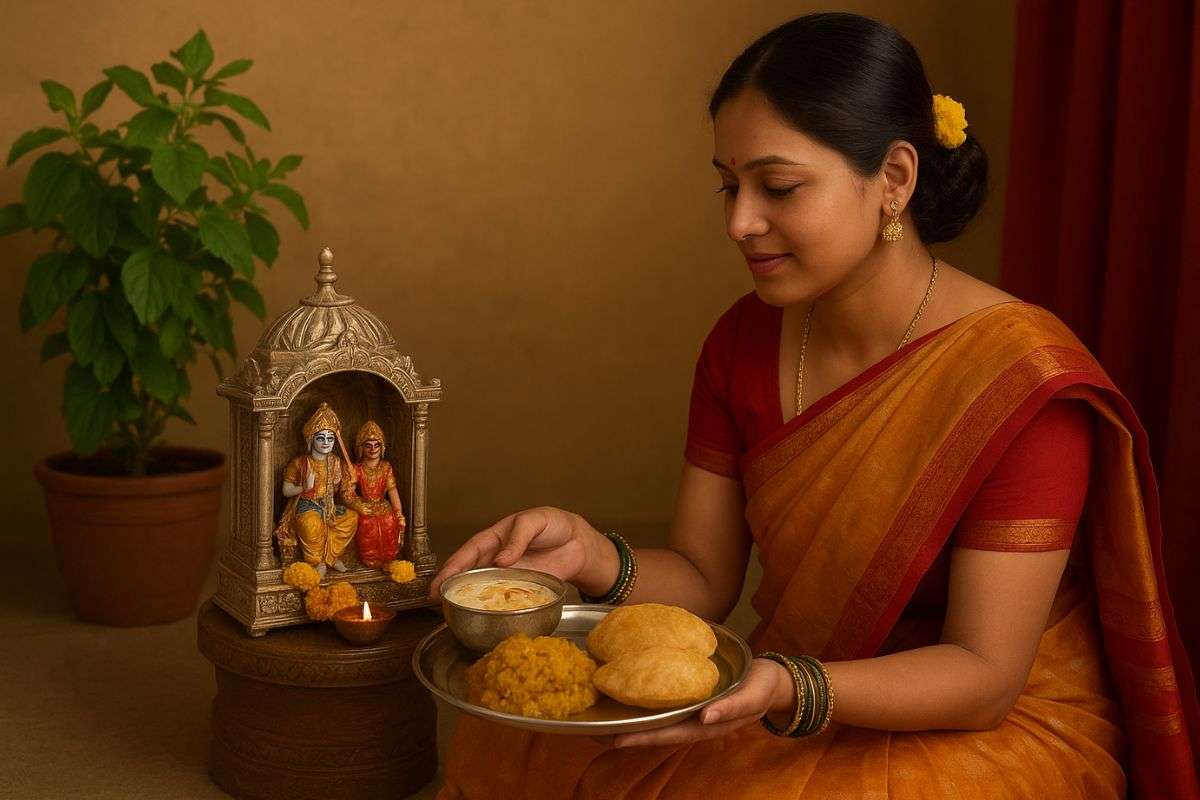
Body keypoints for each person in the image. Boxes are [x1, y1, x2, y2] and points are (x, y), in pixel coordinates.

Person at [429, 12, 1200, 799]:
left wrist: (791, 689)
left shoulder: (1014, 380)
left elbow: (983, 677)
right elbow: (703, 577)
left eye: (780, 187)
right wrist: (589, 554)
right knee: (508, 749)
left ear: (895, 179)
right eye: (730, 185)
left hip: (986, 725)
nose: (739, 222)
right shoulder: (743, 341)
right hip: (789, 686)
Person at [276, 402, 358, 577]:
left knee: (351, 518)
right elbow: (286, 490)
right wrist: (303, 487)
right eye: (321, 438)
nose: (326, 442)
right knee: (311, 525)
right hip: (307, 506)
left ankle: (330, 557)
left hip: (330, 506)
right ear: (311, 439)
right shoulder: (300, 463)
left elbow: (345, 491)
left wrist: (352, 482)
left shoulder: (336, 462)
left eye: (330, 438)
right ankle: (317, 562)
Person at [342, 420, 407, 567]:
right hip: (364, 505)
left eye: (376, 445)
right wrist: (357, 505)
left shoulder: (386, 467)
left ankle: (388, 558)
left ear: (382, 446)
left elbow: (392, 491)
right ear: (361, 448)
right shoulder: (356, 469)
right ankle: (370, 559)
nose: (373, 449)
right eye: (368, 445)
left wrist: (398, 513)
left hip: (382, 505)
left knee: (389, 521)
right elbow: (347, 494)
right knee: (367, 523)